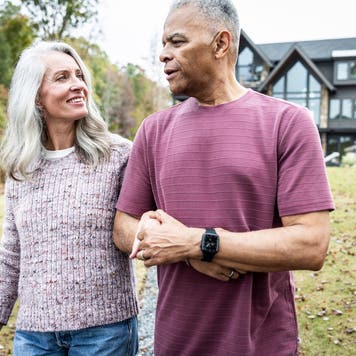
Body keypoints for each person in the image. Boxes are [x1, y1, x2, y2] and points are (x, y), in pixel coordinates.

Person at [113, 0, 334, 355]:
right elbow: (124, 228)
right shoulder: (153, 129)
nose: (163, 55)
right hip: (175, 344)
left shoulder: (288, 123)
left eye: (177, 42)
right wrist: (185, 250)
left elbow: (311, 244)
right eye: (163, 44)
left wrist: (201, 243)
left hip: (261, 345)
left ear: (221, 44)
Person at [0, 41, 139, 355]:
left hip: (105, 333)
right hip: (34, 337)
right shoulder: (21, 167)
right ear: (36, 96)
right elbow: (11, 255)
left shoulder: (118, 155)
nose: (79, 85)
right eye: (62, 77)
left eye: (79, 76)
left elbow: (143, 231)